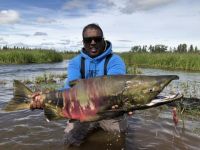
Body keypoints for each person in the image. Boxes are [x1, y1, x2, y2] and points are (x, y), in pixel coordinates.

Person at [30, 23, 127, 147]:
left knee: (119, 142)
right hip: (83, 109)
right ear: (83, 42)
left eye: (97, 39)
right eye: (88, 40)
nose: (92, 43)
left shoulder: (115, 60)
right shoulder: (75, 62)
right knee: (69, 142)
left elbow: (116, 87)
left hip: (110, 110)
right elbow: (70, 89)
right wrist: (47, 98)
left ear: (103, 40)